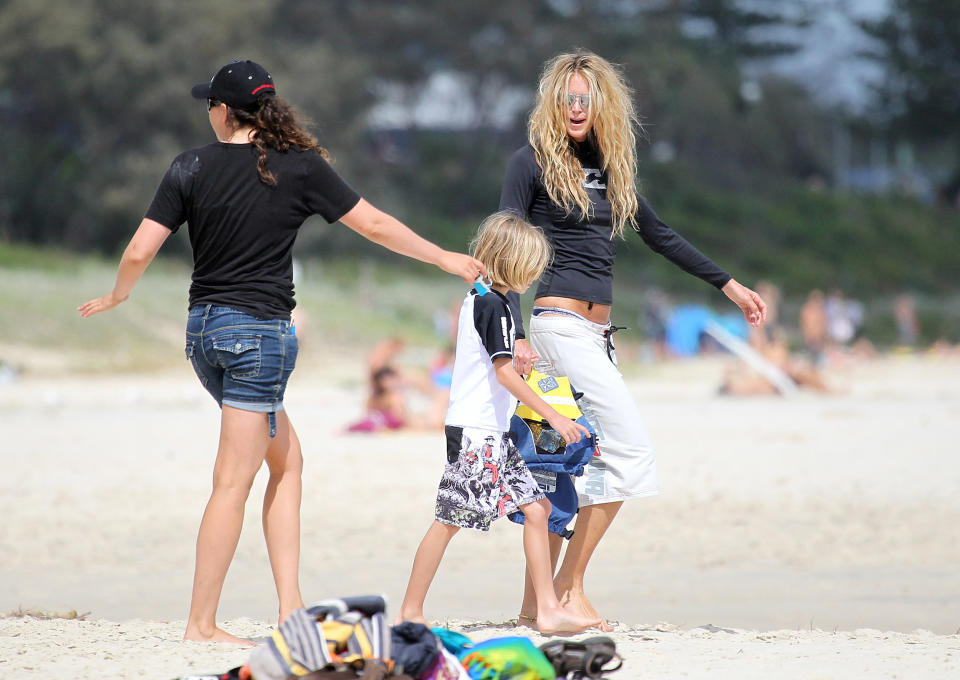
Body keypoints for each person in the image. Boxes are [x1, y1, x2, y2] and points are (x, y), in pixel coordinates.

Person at [77, 59, 486, 644]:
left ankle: (291, 606)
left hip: (203, 335)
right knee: (231, 481)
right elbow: (372, 225)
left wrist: (119, 295)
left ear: (223, 110)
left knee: (286, 461)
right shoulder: (299, 165)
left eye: (209, 105)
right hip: (258, 338)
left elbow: (141, 249)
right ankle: (201, 625)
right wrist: (445, 257)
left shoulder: (189, 164)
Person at [498, 51, 767, 630]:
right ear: (553, 103)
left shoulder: (612, 167)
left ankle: (535, 602)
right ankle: (568, 589)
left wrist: (729, 284)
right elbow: (506, 246)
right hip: (554, 326)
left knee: (564, 466)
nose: (575, 107)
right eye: (567, 97)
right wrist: (513, 331)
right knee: (630, 453)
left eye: (585, 98)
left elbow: (659, 234)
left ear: (601, 106)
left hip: (596, 334)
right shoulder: (531, 162)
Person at [395, 212, 600, 634]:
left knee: (538, 510)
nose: (536, 275)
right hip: (476, 434)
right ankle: (410, 611)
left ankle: (545, 610)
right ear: (511, 262)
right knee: (449, 520)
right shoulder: (492, 304)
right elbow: (503, 373)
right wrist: (554, 416)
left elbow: (501, 373)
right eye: (532, 267)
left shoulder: (491, 300)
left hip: (491, 433)